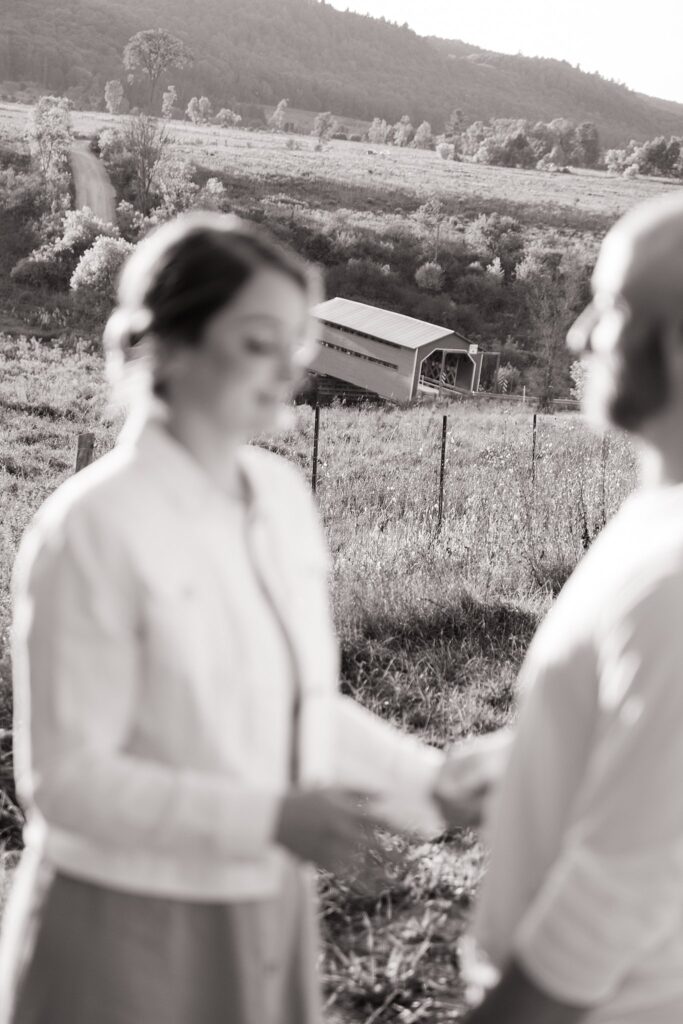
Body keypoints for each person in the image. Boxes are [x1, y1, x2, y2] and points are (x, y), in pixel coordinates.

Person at [0, 212, 468, 1024]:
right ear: (164, 344)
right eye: (259, 341)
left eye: (295, 343)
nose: (288, 368)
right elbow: (66, 783)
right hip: (125, 927)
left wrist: (433, 786)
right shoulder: (90, 528)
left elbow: (298, 708)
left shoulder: (281, 499)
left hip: (263, 902)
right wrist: (270, 817)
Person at [451, 193, 683, 1023]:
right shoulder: (655, 520)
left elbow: (619, 888)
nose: (579, 335)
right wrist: (533, 757)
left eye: (610, 305)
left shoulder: (672, 578)